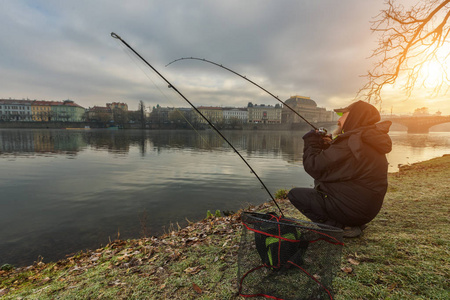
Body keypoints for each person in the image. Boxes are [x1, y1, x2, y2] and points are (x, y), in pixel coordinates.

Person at [288, 100, 392, 237]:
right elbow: (338, 168)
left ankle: (338, 228)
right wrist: (328, 147)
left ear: (354, 117)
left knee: (295, 195)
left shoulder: (352, 142)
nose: (339, 119)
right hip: (365, 210)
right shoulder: (366, 139)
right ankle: (350, 223)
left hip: (353, 210)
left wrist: (311, 141)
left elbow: (314, 167)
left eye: (342, 114)